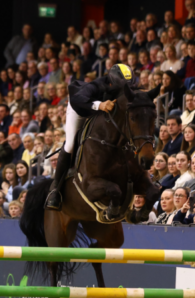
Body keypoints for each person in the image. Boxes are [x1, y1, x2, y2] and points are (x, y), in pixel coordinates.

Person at [45, 64, 132, 209]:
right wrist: (100, 105)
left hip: (103, 113)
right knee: (70, 144)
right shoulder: (97, 85)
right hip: (80, 110)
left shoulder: (126, 86)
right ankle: (55, 190)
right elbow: (77, 99)